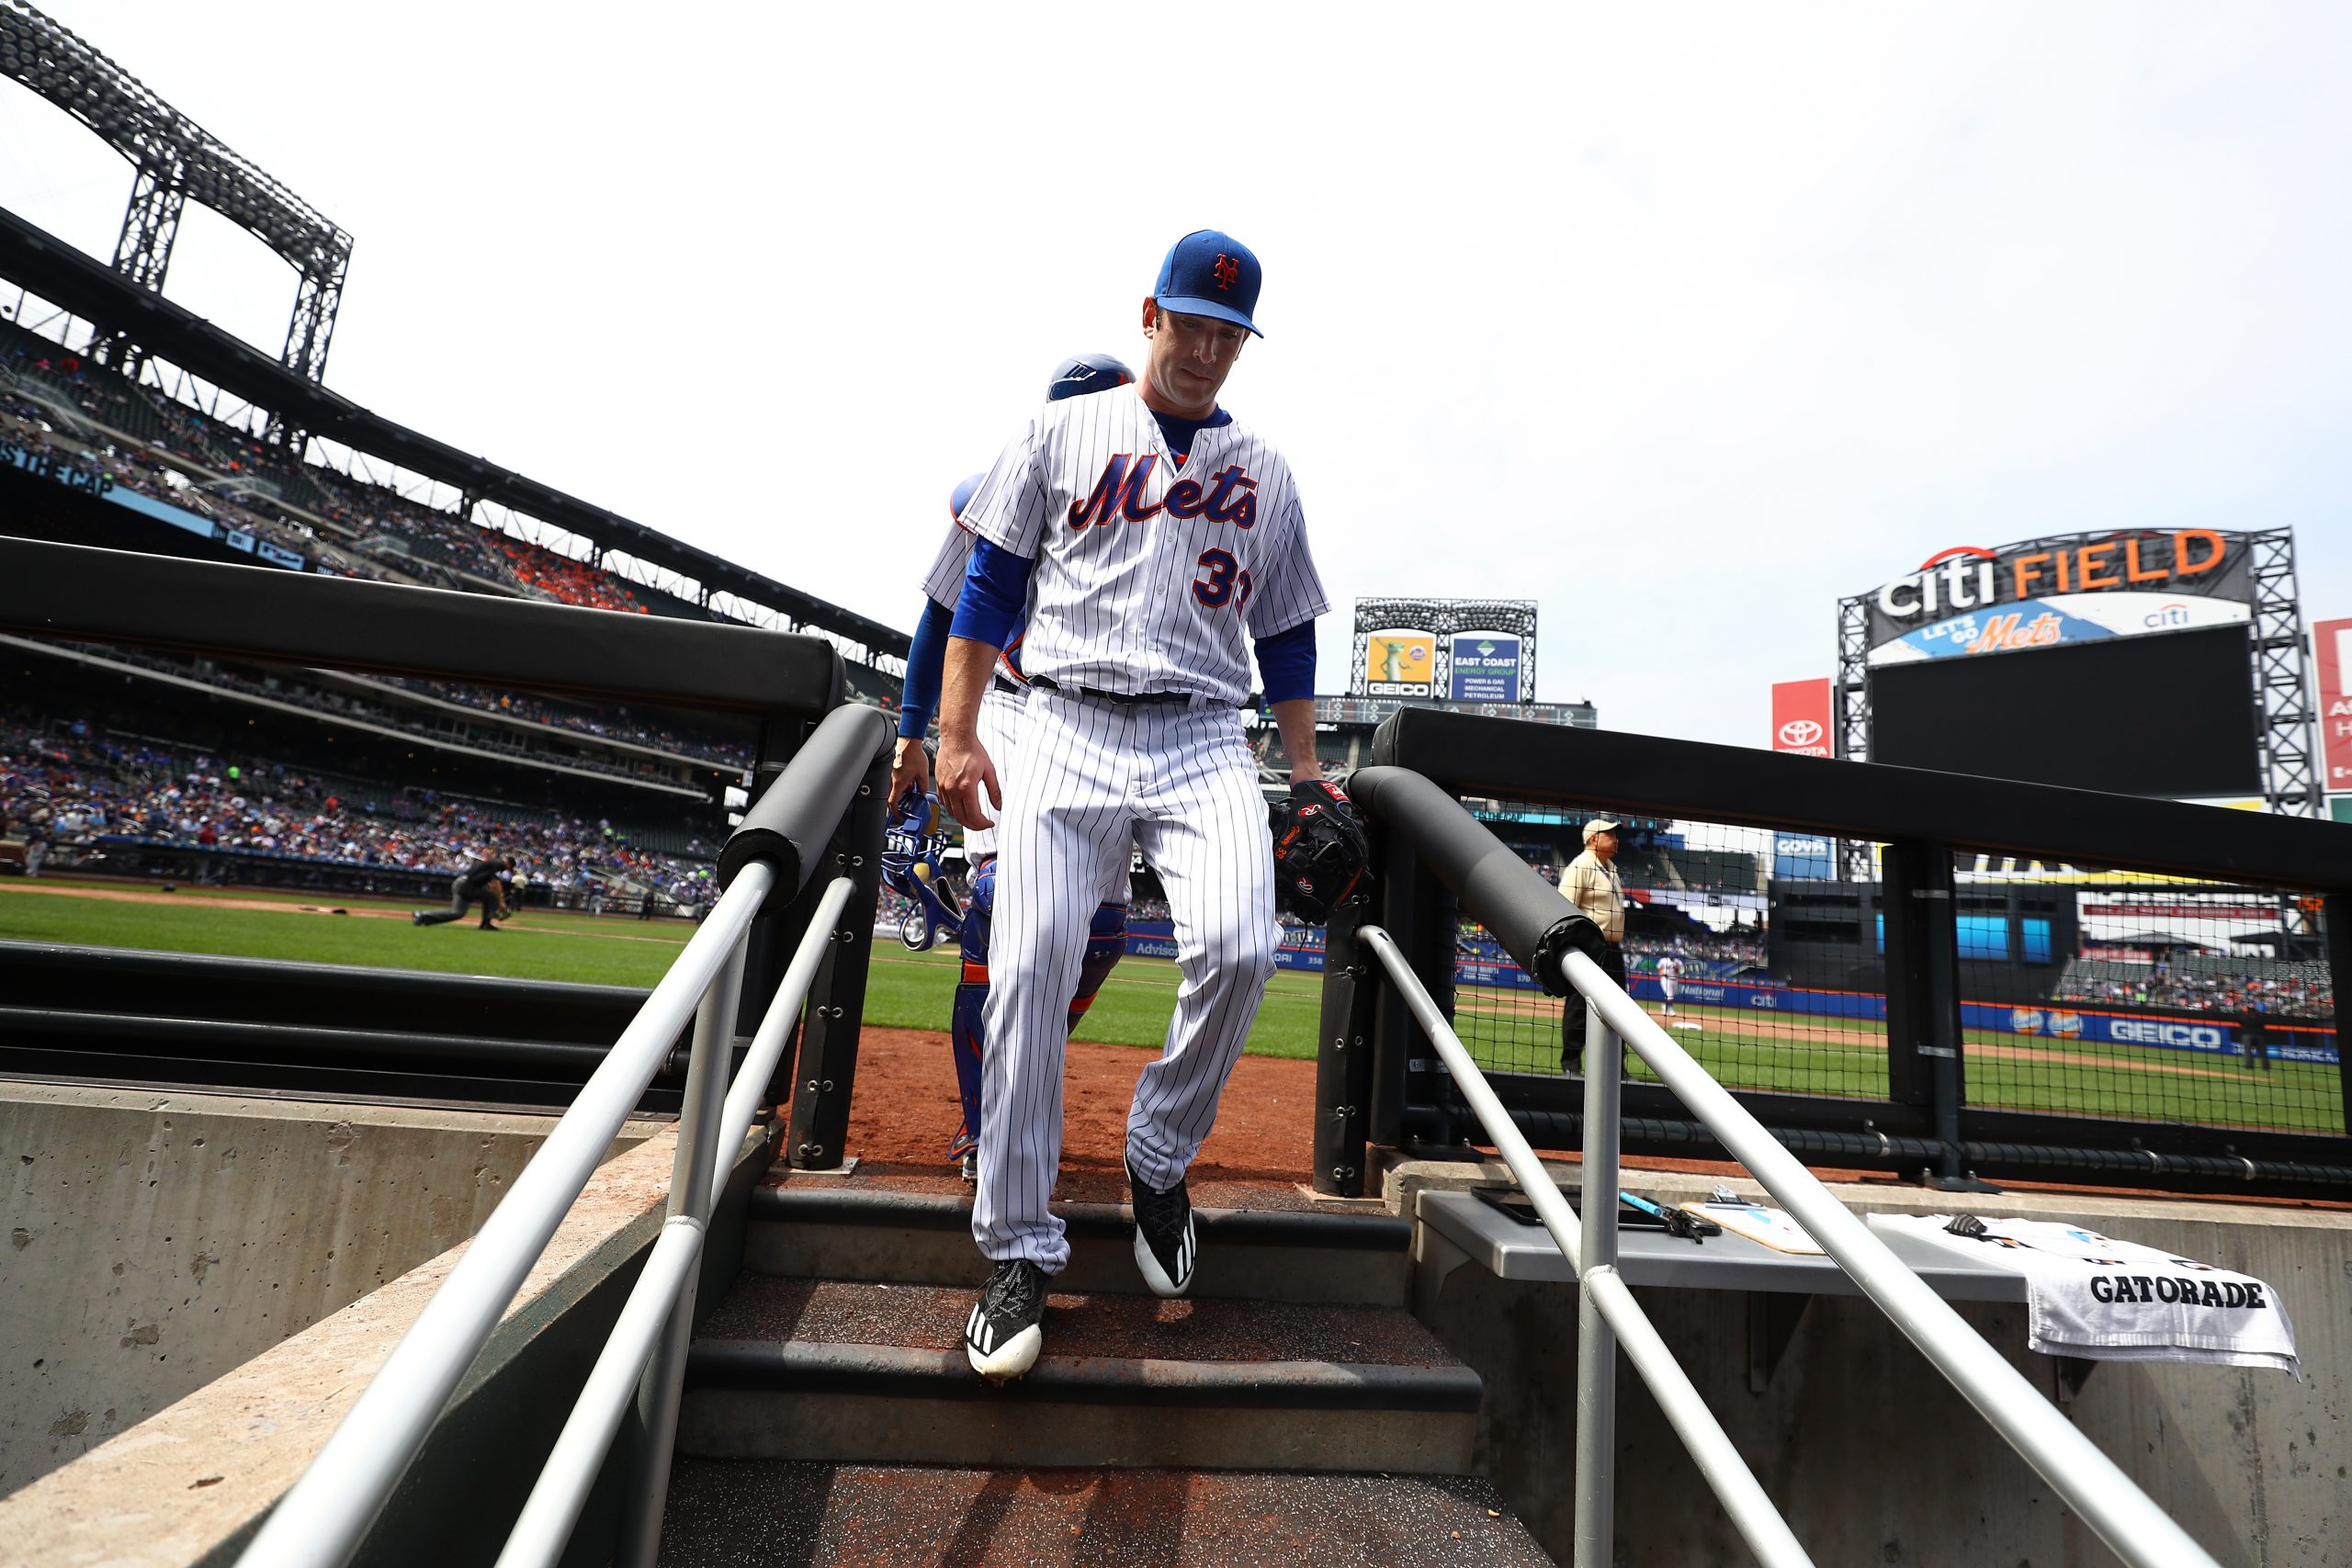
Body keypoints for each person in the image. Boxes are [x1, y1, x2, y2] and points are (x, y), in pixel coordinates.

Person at [936, 231, 1338, 1379]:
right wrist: (957, 732)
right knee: (1027, 968)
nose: (1208, 348)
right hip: (1061, 721)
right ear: (1148, 315)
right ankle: (1017, 1248)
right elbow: (991, 579)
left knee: (1242, 945)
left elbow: (1289, 627)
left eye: (1229, 334)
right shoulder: (1063, 430)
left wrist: (1306, 770)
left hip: (1204, 730)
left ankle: (1158, 1155)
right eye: (1191, 323)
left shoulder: (1264, 468)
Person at [891, 354, 1137, 1182]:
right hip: (1007, 703)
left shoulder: (1158, 497)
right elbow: (938, 618)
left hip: (1100, 721)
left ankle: (1022, 1052)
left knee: (1105, 930)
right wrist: (914, 731)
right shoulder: (1000, 488)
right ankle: (981, 1124)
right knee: (999, 904)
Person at [1559, 819, 1631, 1074]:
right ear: (1593, 839)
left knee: (1619, 1008)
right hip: (1590, 948)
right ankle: (1571, 1065)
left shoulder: (1610, 867)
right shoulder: (1580, 866)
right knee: (1580, 1006)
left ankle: (1617, 1067)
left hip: (1612, 949)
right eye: (1610, 834)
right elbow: (1565, 907)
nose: (1616, 839)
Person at [412, 852, 513, 929]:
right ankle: (422, 915)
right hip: (464, 886)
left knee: (490, 895)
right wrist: (501, 903)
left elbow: (484, 880)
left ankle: (486, 923)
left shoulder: (491, 863)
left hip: (466, 884)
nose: (506, 869)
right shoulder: (499, 864)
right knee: (457, 913)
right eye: (509, 867)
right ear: (508, 864)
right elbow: (496, 883)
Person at [1655, 951, 1681, 1019]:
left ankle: (1664, 1005)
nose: (1672, 957)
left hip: (1675, 979)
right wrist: (1661, 972)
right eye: (1671, 956)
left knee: (1671, 995)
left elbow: (1679, 971)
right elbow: (1658, 967)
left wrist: (1676, 967)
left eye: (1674, 956)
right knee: (1670, 996)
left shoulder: (1678, 962)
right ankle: (1670, 1009)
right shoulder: (1663, 960)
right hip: (1665, 979)